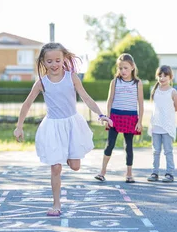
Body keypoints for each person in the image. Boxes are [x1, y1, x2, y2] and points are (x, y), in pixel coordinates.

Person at [13, 42, 112, 216]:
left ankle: (66, 155)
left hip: (72, 124)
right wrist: (19, 126)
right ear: (43, 62)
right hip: (53, 126)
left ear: (64, 59)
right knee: (55, 167)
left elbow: (86, 98)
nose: (54, 64)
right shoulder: (41, 82)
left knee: (75, 166)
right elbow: (27, 104)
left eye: (57, 60)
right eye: (49, 61)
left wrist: (101, 115)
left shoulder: (71, 77)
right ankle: (56, 204)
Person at [94, 53, 144, 183]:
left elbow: (141, 103)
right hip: (115, 117)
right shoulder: (115, 82)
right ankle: (102, 172)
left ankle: (129, 174)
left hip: (131, 117)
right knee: (110, 144)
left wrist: (140, 121)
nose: (123, 71)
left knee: (129, 146)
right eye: (120, 68)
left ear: (132, 67)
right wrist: (107, 118)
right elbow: (110, 100)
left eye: (126, 68)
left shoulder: (138, 83)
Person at [147, 65, 177, 183]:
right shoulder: (155, 90)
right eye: (160, 76)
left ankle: (169, 173)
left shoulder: (173, 92)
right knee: (155, 151)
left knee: (168, 151)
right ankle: (154, 172)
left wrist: (166, 116)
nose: (162, 78)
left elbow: (176, 108)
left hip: (167, 127)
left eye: (165, 76)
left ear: (170, 77)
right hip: (156, 126)